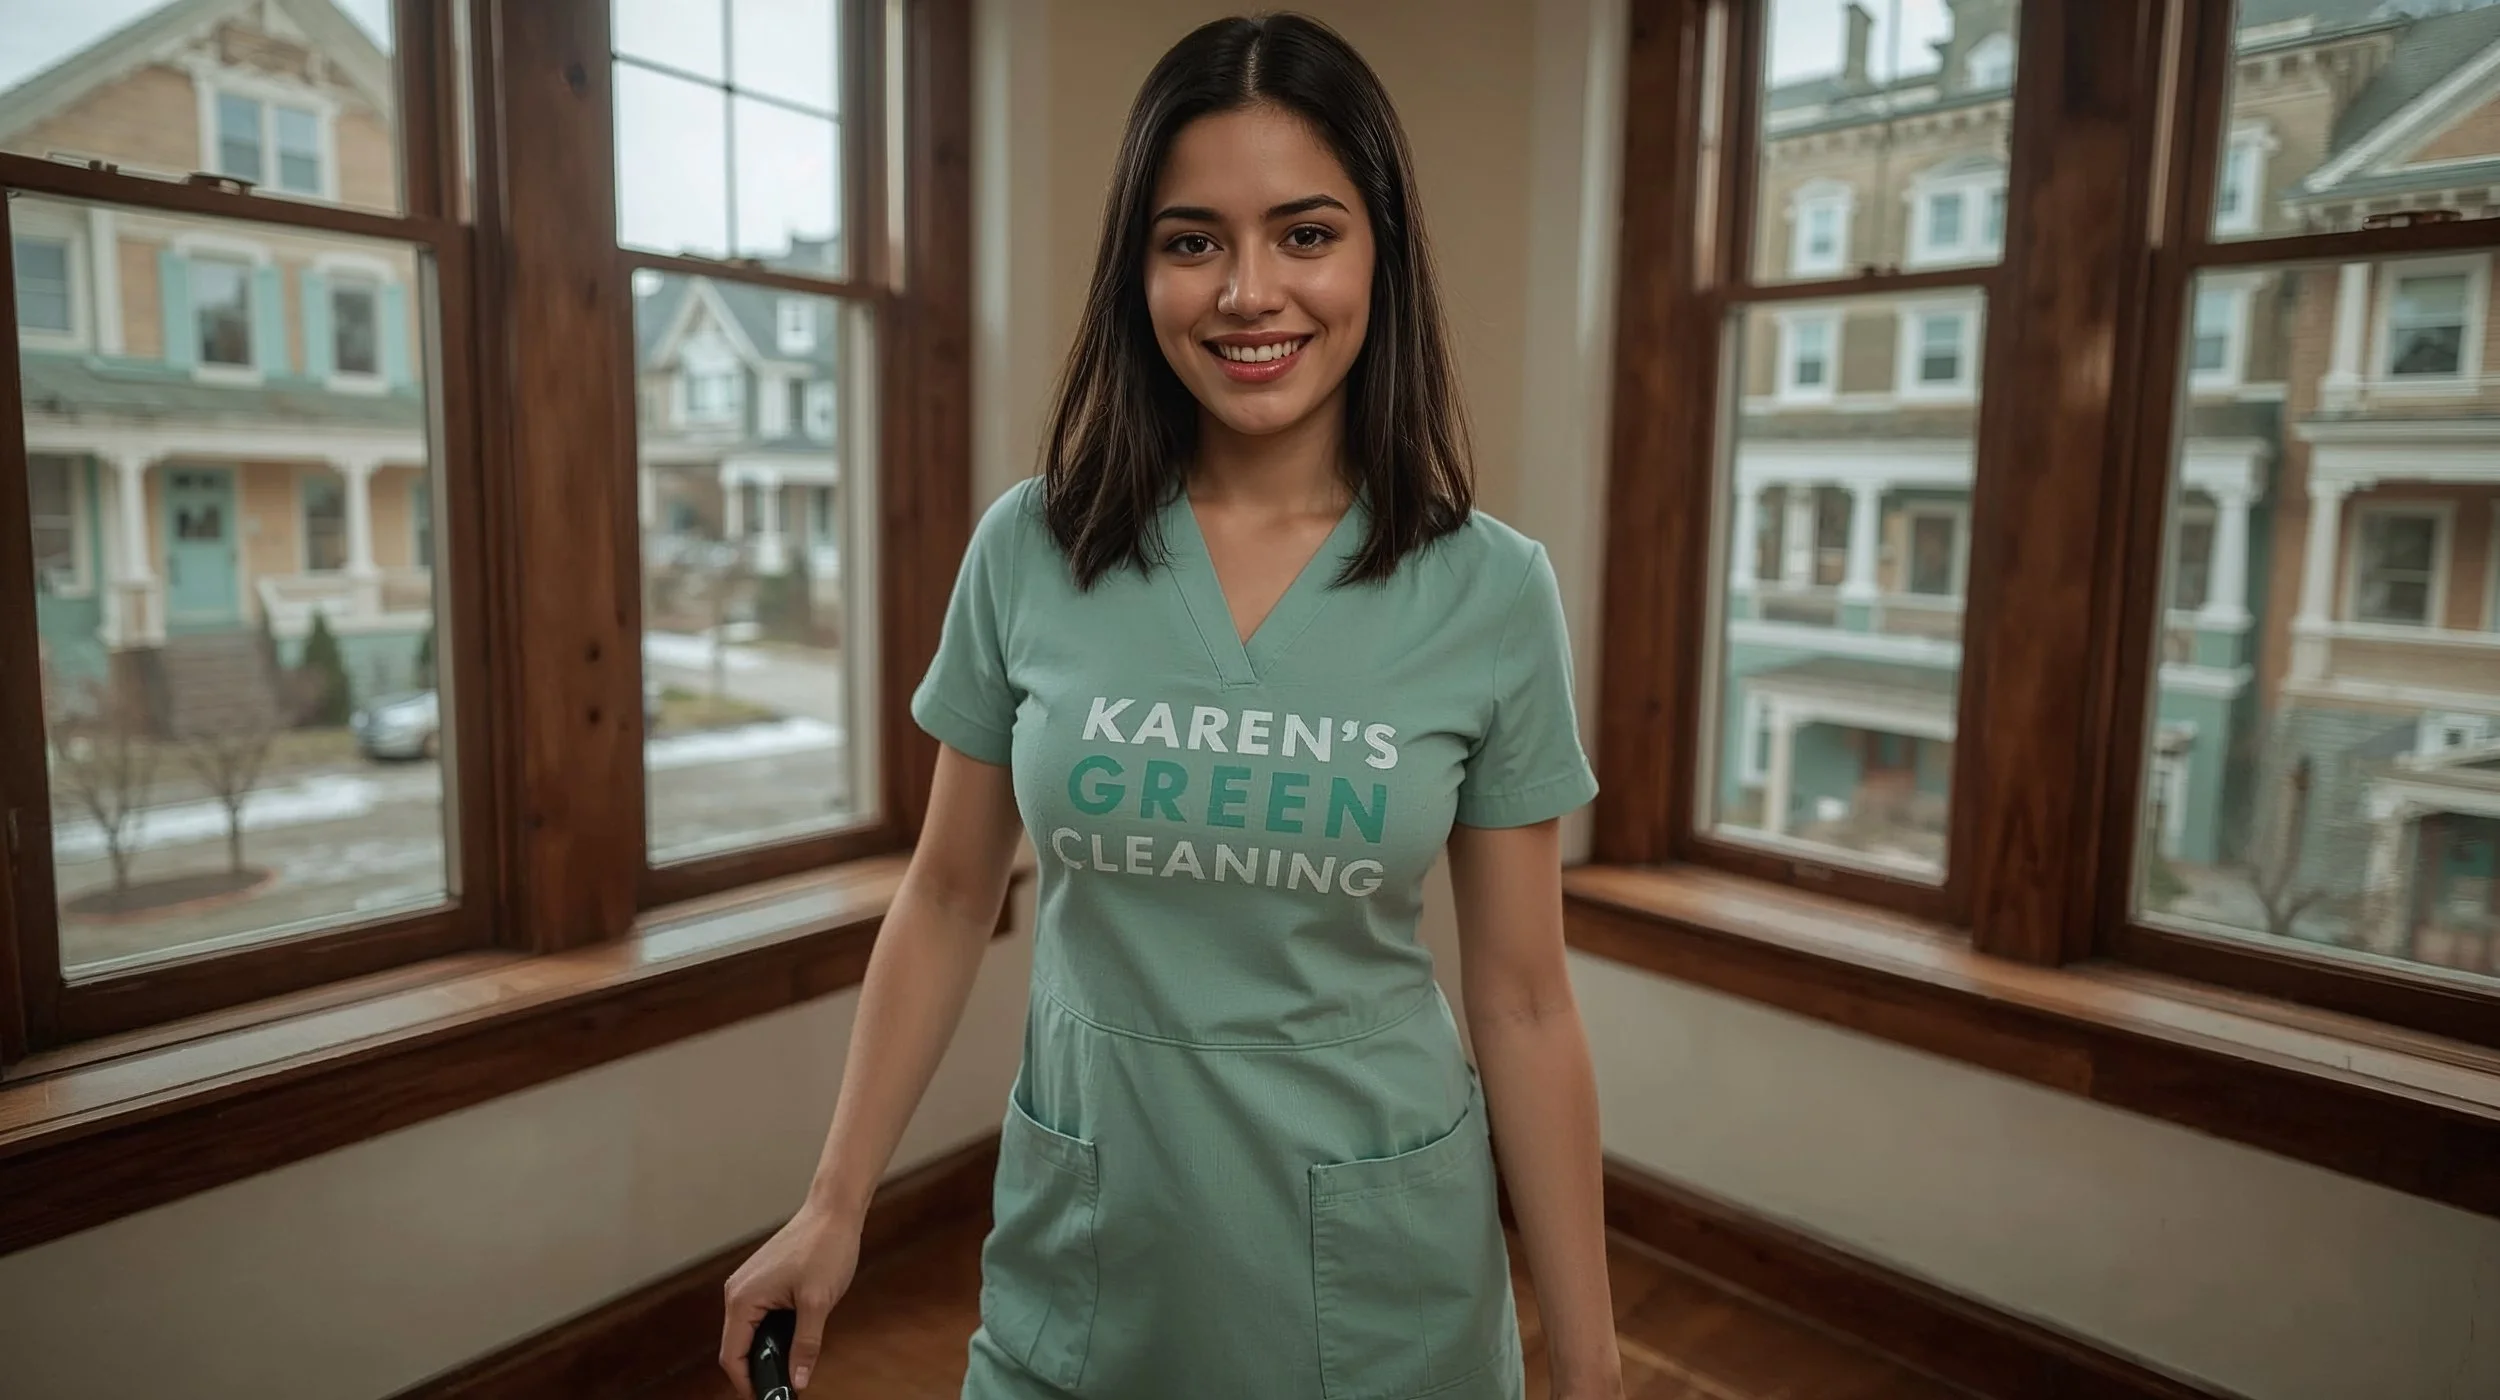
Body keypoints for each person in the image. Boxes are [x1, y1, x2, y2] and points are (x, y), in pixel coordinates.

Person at [720, 13, 1621, 1399]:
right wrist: (837, 1199)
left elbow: (1523, 999)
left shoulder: (1492, 591)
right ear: (1139, 269)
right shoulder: (1032, 547)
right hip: (1087, 1262)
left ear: (1380, 250)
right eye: (1192, 240)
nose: (1248, 292)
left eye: (1306, 234)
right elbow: (953, 893)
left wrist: (1595, 1364)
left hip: (1384, 1290)